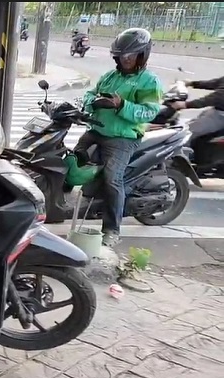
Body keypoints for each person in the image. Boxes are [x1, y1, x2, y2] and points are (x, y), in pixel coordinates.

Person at [77, 28, 162, 247]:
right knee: (71, 161)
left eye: (131, 55)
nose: (126, 59)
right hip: (97, 130)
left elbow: (150, 111)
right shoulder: (110, 77)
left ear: (142, 55)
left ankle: (112, 230)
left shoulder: (148, 81)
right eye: (122, 55)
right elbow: (89, 93)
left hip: (123, 138)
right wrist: (91, 102)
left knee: (112, 178)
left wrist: (121, 105)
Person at [168, 76, 224, 142]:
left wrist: (185, 104)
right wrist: (192, 83)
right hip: (216, 111)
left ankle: (180, 151)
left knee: (186, 133)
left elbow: (217, 98)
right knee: (188, 125)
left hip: (221, 117)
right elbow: (215, 83)